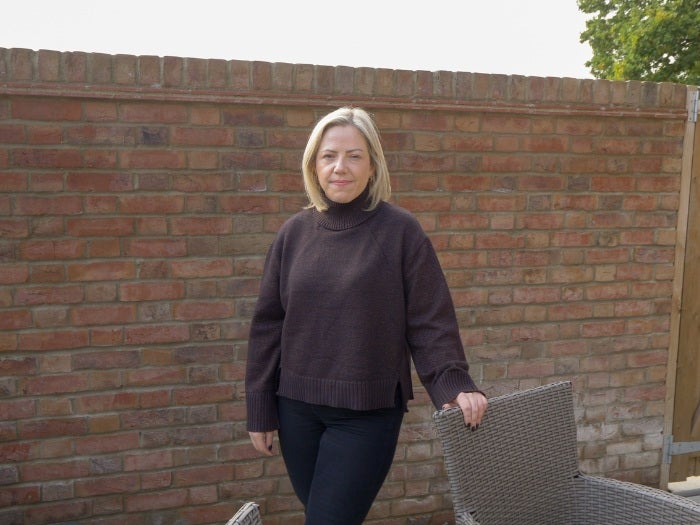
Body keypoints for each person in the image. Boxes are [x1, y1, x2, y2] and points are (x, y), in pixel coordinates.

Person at [245, 106, 487, 525]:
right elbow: (269, 325)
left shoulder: (400, 232)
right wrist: (261, 407)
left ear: (373, 165)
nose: (340, 167)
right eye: (329, 156)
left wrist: (452, 381)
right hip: (296, 409)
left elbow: (429, 318)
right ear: (313, 165)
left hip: (366, 412)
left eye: (354, 156)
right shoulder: (293, 234)